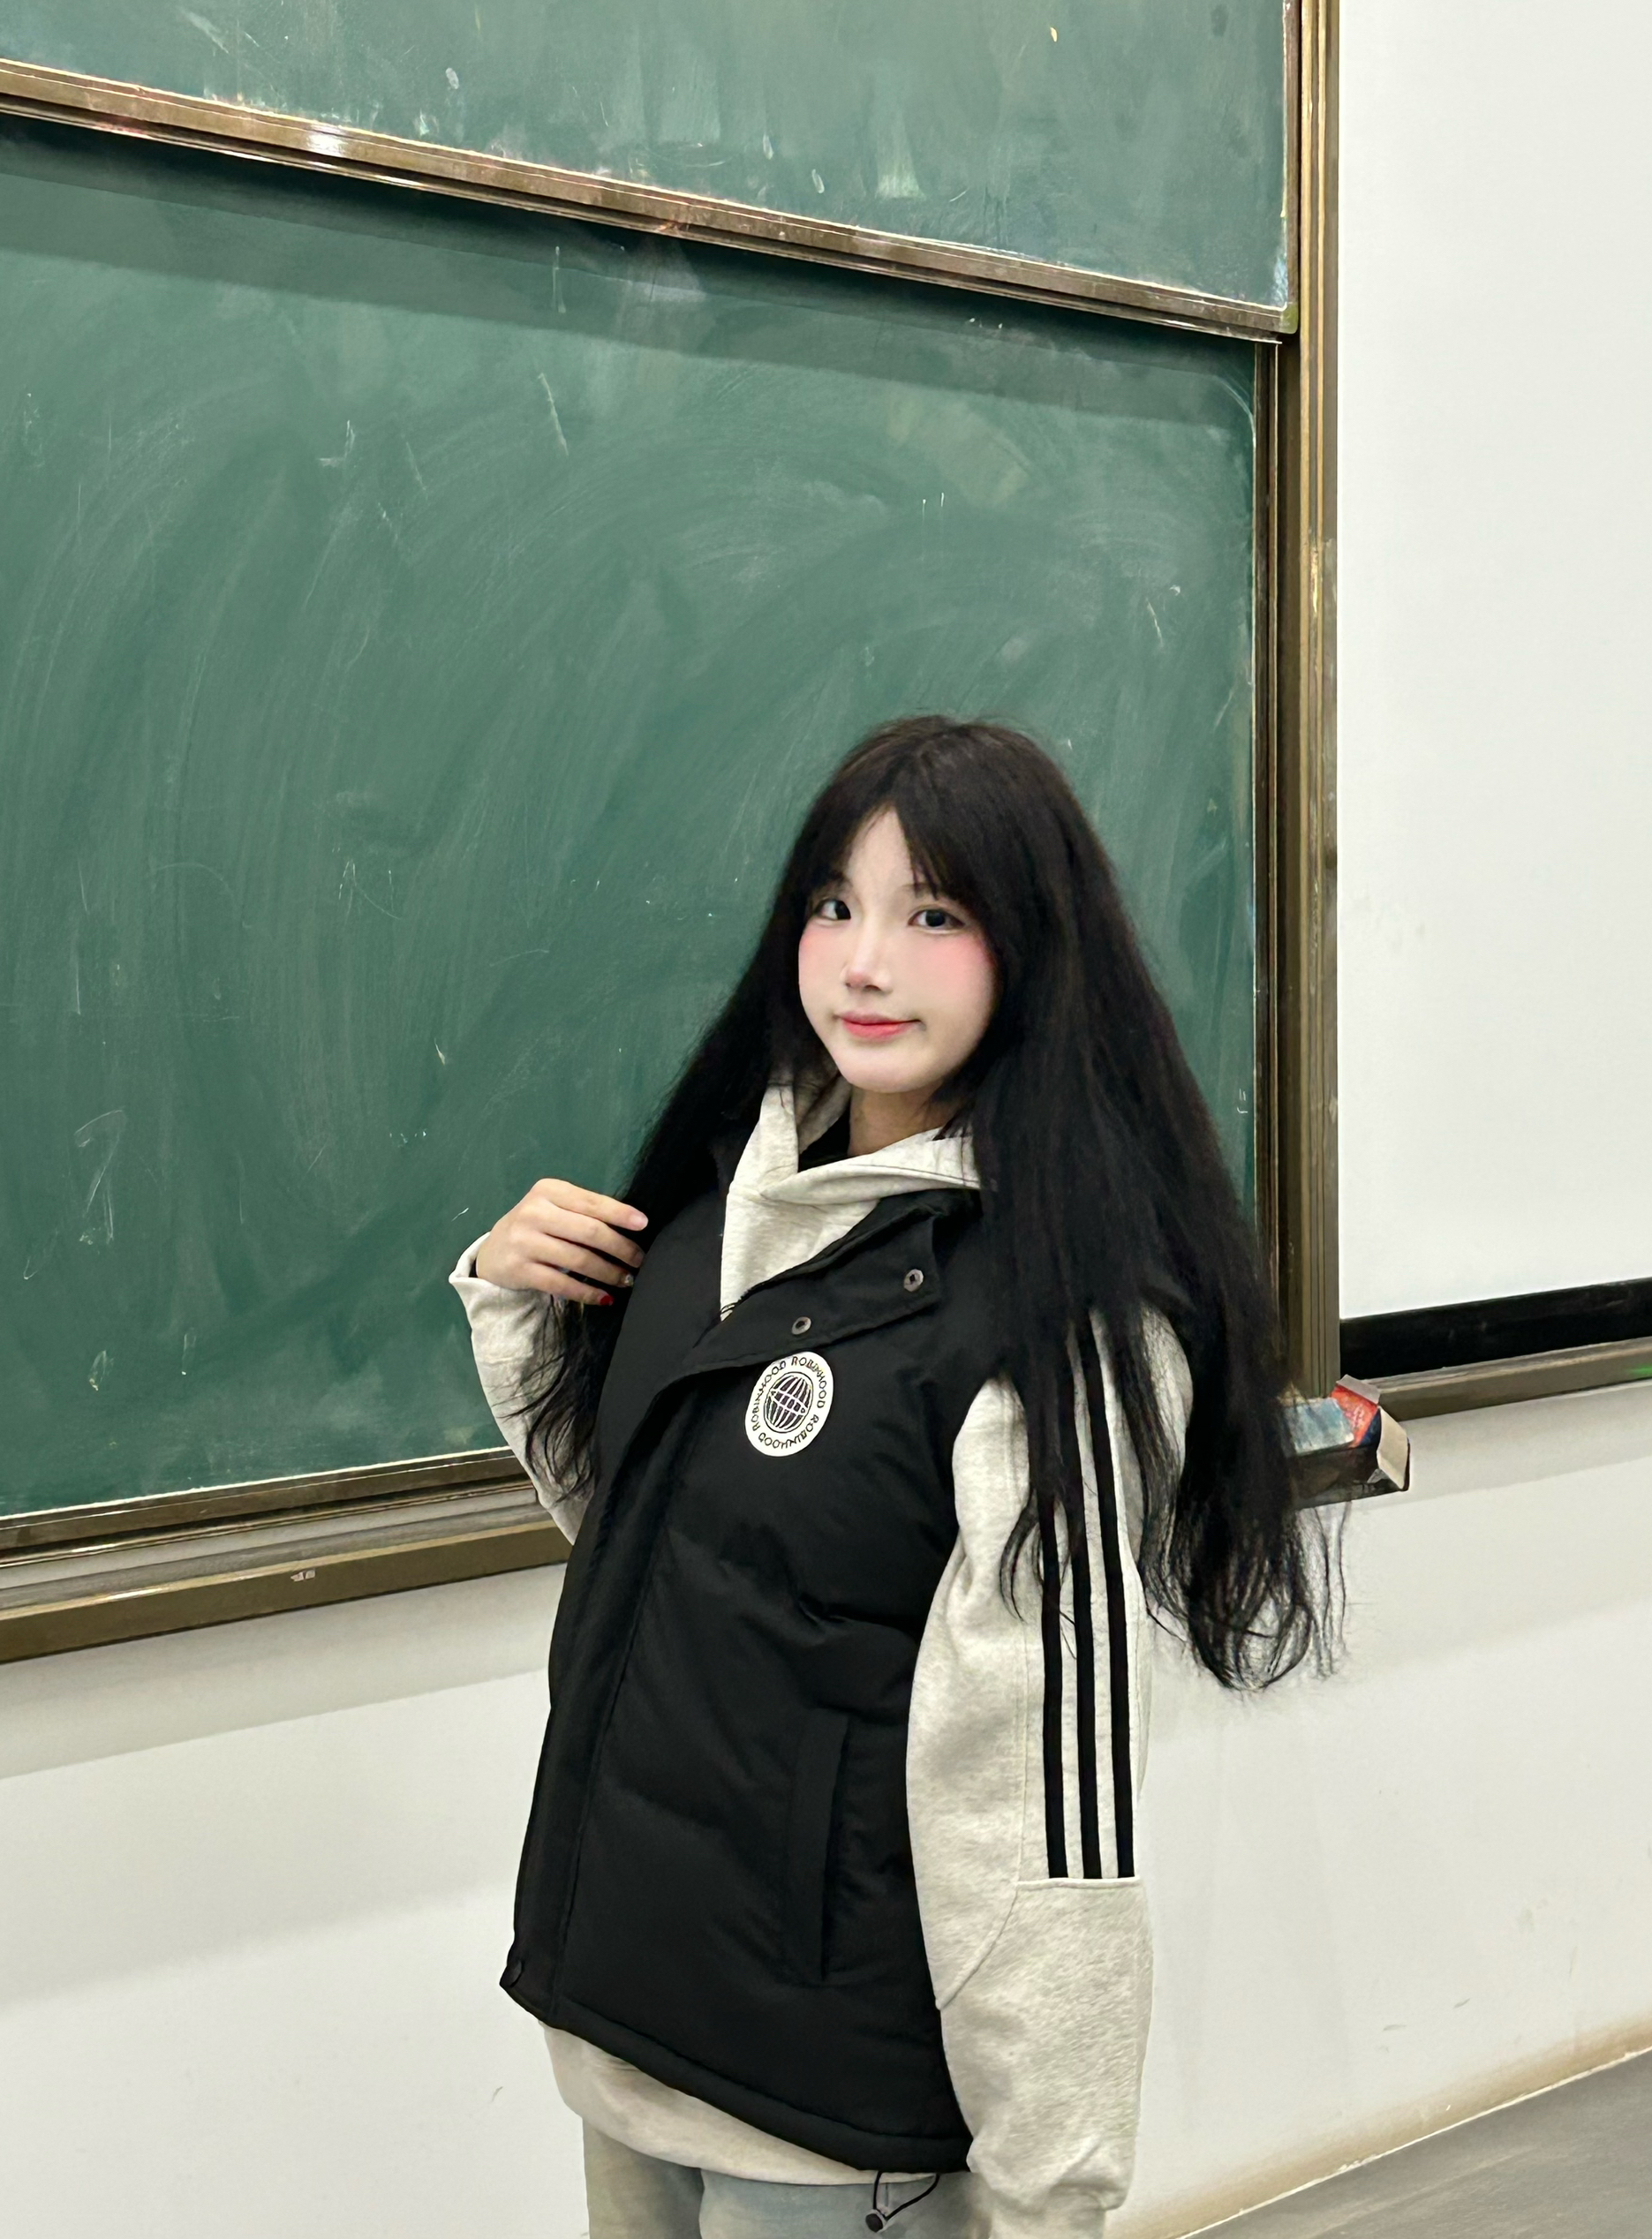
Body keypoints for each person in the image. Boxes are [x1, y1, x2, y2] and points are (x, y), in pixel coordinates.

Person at [450, 717, 1337, 2238]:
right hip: (622, 2023)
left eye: (932, 915)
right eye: (833, 905)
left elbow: (1038, 1785)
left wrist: (1048, 2194)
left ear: (1032, 948)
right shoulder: (717, 1210)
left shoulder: (1061, 1320)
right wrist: (518, 1310)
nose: (865, 964)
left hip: (823, 2109)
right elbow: (659, 1557)